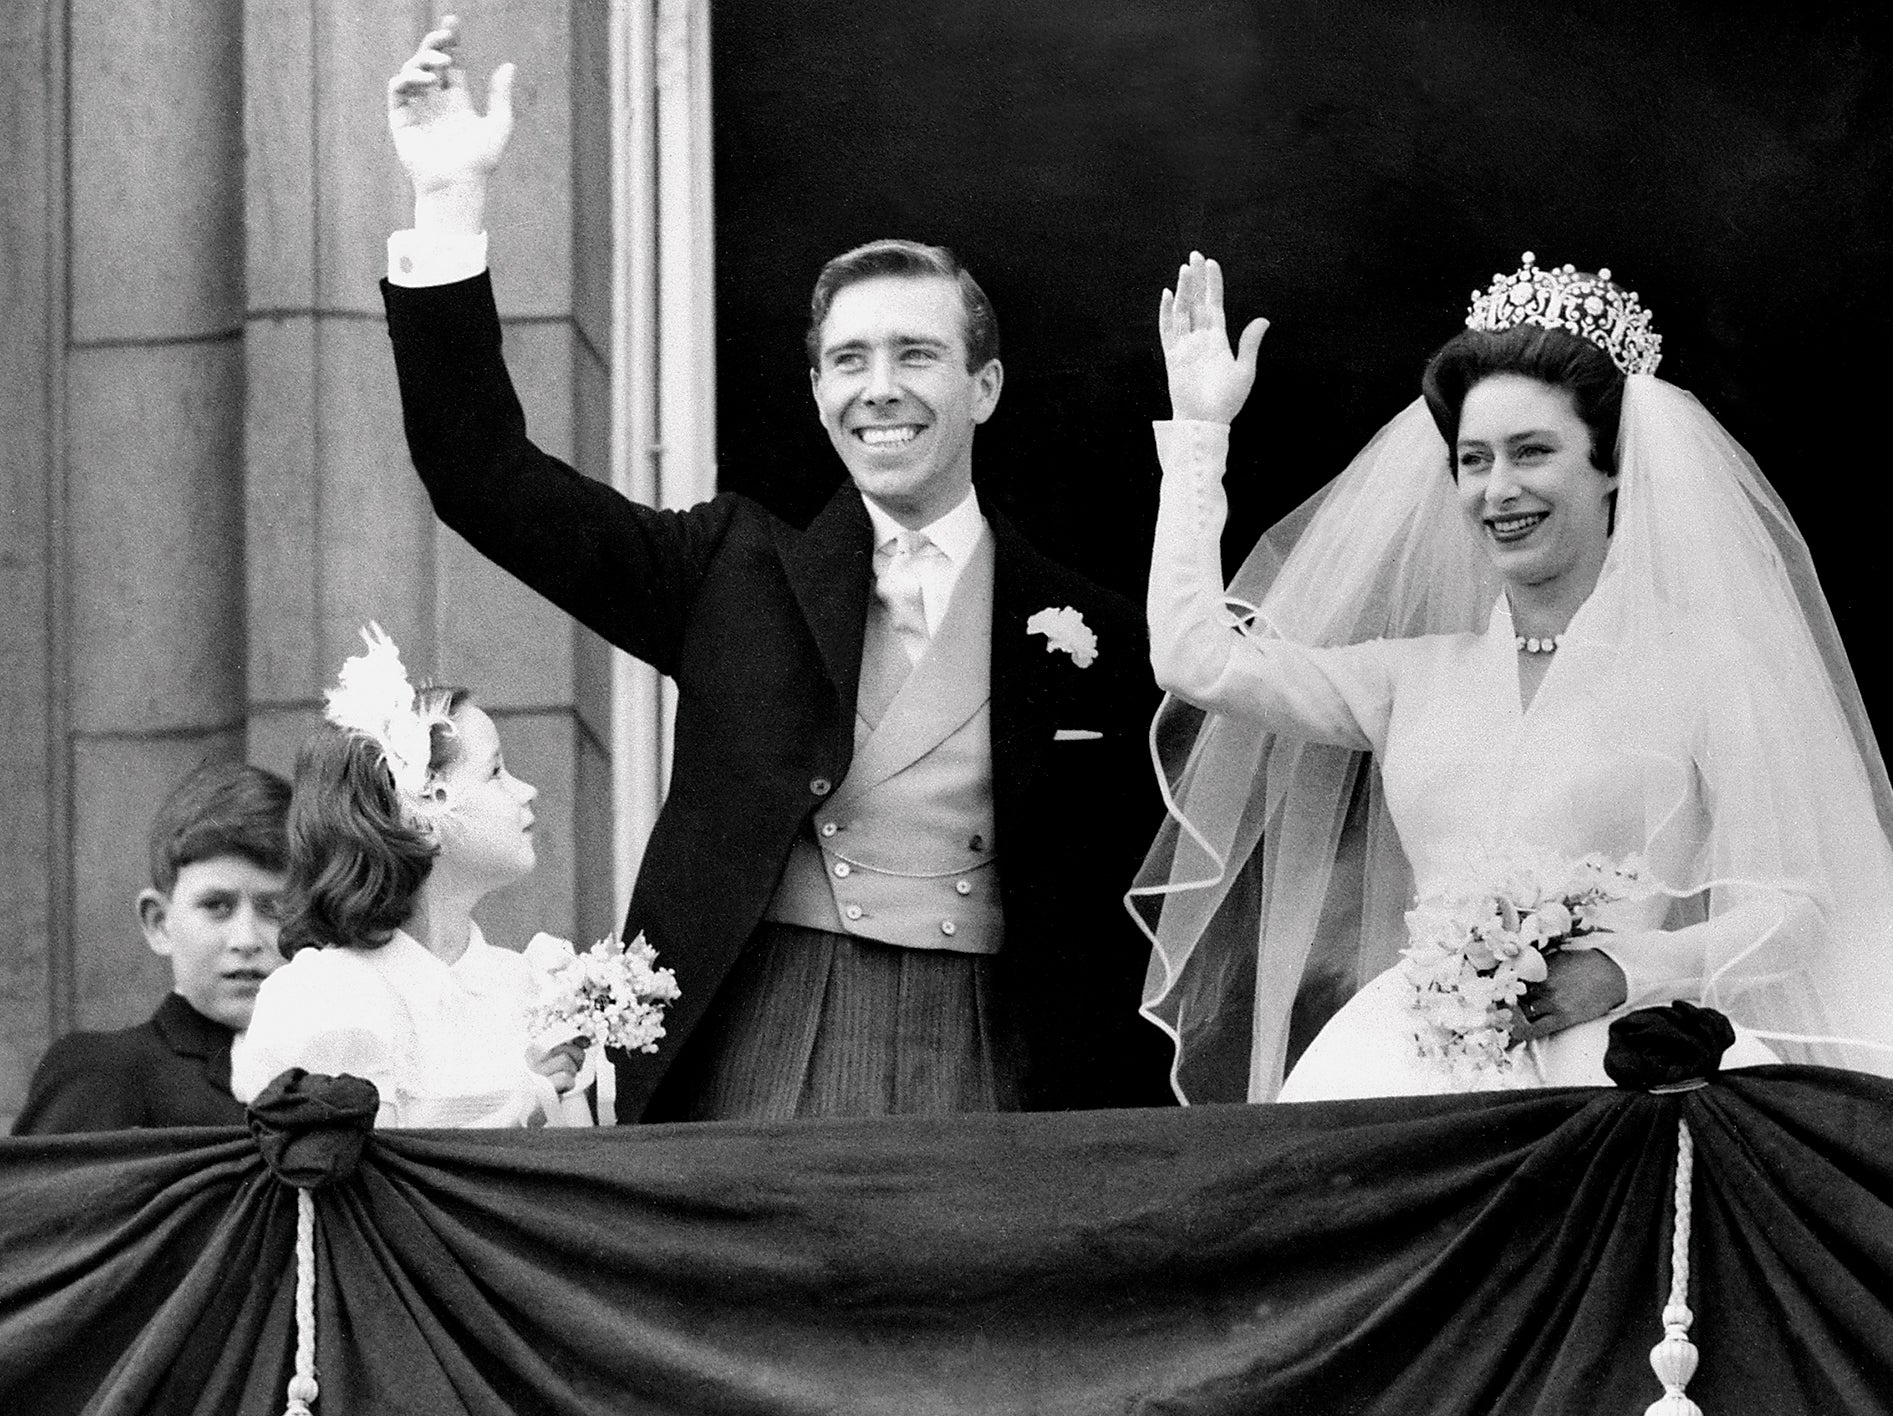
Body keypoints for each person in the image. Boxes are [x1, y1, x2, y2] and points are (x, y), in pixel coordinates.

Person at [377, 18, 1171, 1122]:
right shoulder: (730, 570)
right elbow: (479, 476)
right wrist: (448, 201)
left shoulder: (1088, 625)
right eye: (848, 360)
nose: (877, 387)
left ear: (983, 387)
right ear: (814, 395)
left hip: (1001, 1049)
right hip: (770, 1029)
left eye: (915, 355)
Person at [1134, 251, 1893, 1102]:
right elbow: (1195, 659)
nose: (1497, 489)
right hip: (1412, 1058)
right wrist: (1199, 436)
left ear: (1611, 463)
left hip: (1628, 1069)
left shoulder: (1705, 669)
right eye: (1474, 460)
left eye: (1531, 452)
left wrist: (1628, 968)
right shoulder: (1407, 678)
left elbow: (1793, 908)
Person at [231, 627, 602, 1128]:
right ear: (419, 817)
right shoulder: (324, 995)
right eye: (495, 772)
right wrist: (521, 1109)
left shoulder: (530, 986)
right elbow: (360, 1190)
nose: (527, 790)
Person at [12, 763, 292, 1134]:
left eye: (273, 908)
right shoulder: (104, 1073)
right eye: (216, 906)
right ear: (159, 923)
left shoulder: (335, 1072)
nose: (246, 939)